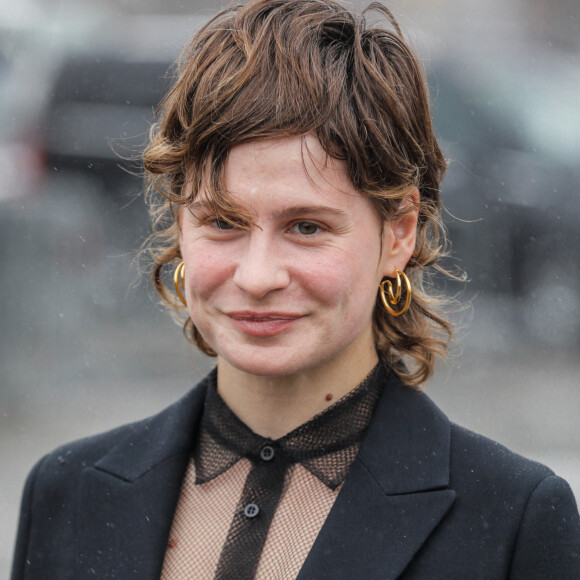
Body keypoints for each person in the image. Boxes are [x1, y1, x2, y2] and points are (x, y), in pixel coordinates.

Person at [11, 1, 580, 578]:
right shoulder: (67, 494)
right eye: (223, 222)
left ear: (399, 232)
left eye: (307, 227)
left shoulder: (513, 521)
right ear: (179, 223)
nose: (258, 277)